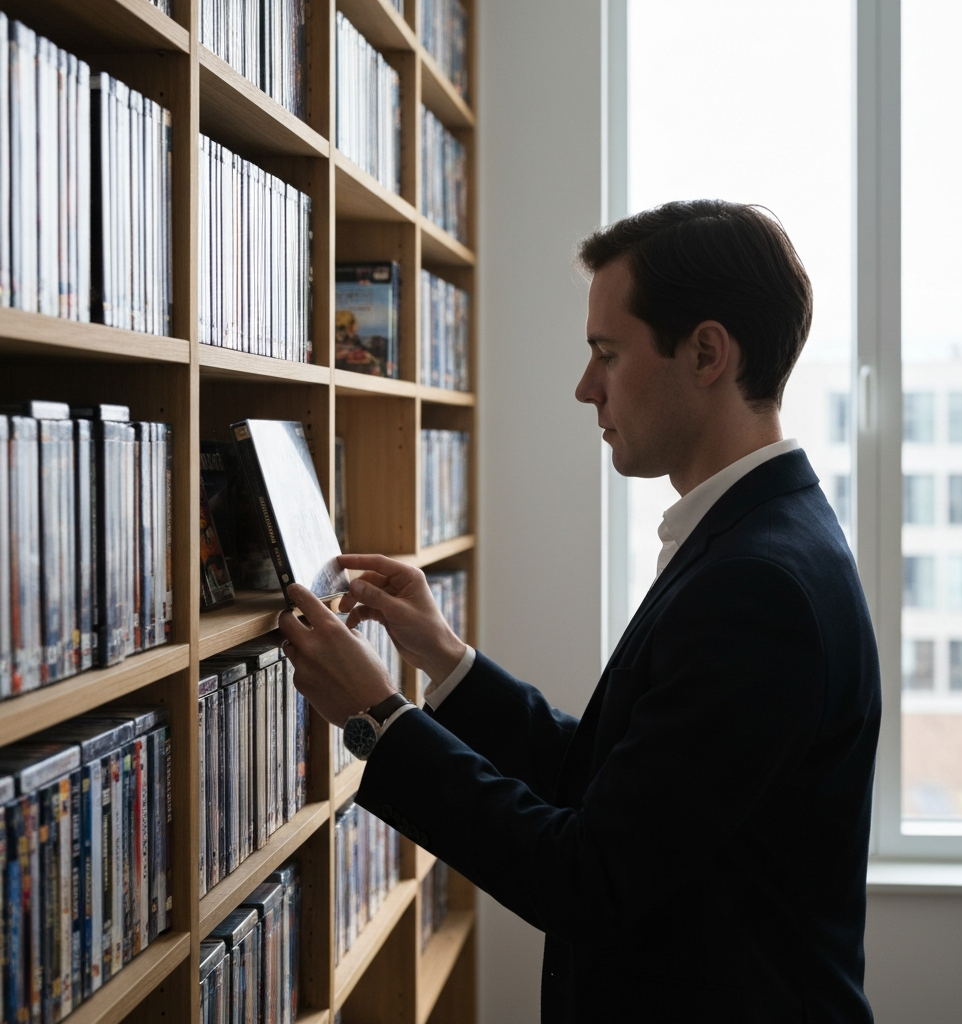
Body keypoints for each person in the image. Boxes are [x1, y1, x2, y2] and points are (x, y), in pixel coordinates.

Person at [279, 200, 881, 1022]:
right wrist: (444, 655)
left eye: (607, 353)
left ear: (706, 352)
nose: (584, 387)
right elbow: (616, 785)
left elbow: (589, 876)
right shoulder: (760, 537)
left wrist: (376, 718)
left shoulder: (759, 582)